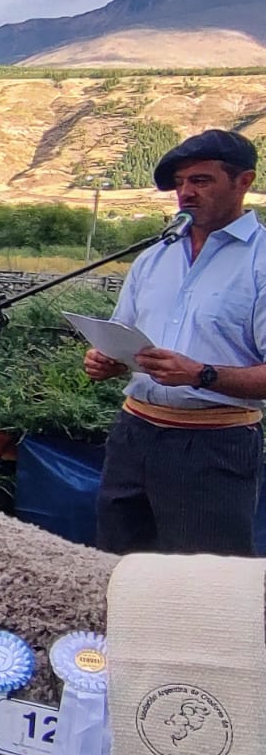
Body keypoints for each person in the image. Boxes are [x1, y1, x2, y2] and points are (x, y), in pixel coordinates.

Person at [85, 129, 266, 556]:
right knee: (117, 567)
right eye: (180, 183)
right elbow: (122, 334)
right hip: (133, 435)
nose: (185, 192)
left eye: (200, 181)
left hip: (213, 447)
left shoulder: (260, 261)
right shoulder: (154, 256)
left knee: (203, 584)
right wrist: (106, 360)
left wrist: (200, 374)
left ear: (244, 181)